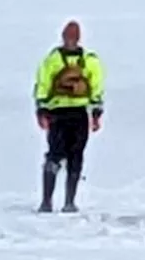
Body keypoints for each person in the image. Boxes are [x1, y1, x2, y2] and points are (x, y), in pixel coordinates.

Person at [33, 20, 105, 213]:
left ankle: (54, 201)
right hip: (71, 114)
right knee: (69, 156)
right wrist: (96, 112)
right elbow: (96, 87)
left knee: (60, 155)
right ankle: (62, 202)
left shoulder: (54, 59)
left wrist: (41, 108)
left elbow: (43, 85)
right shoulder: (88, 60)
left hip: (63, 113)